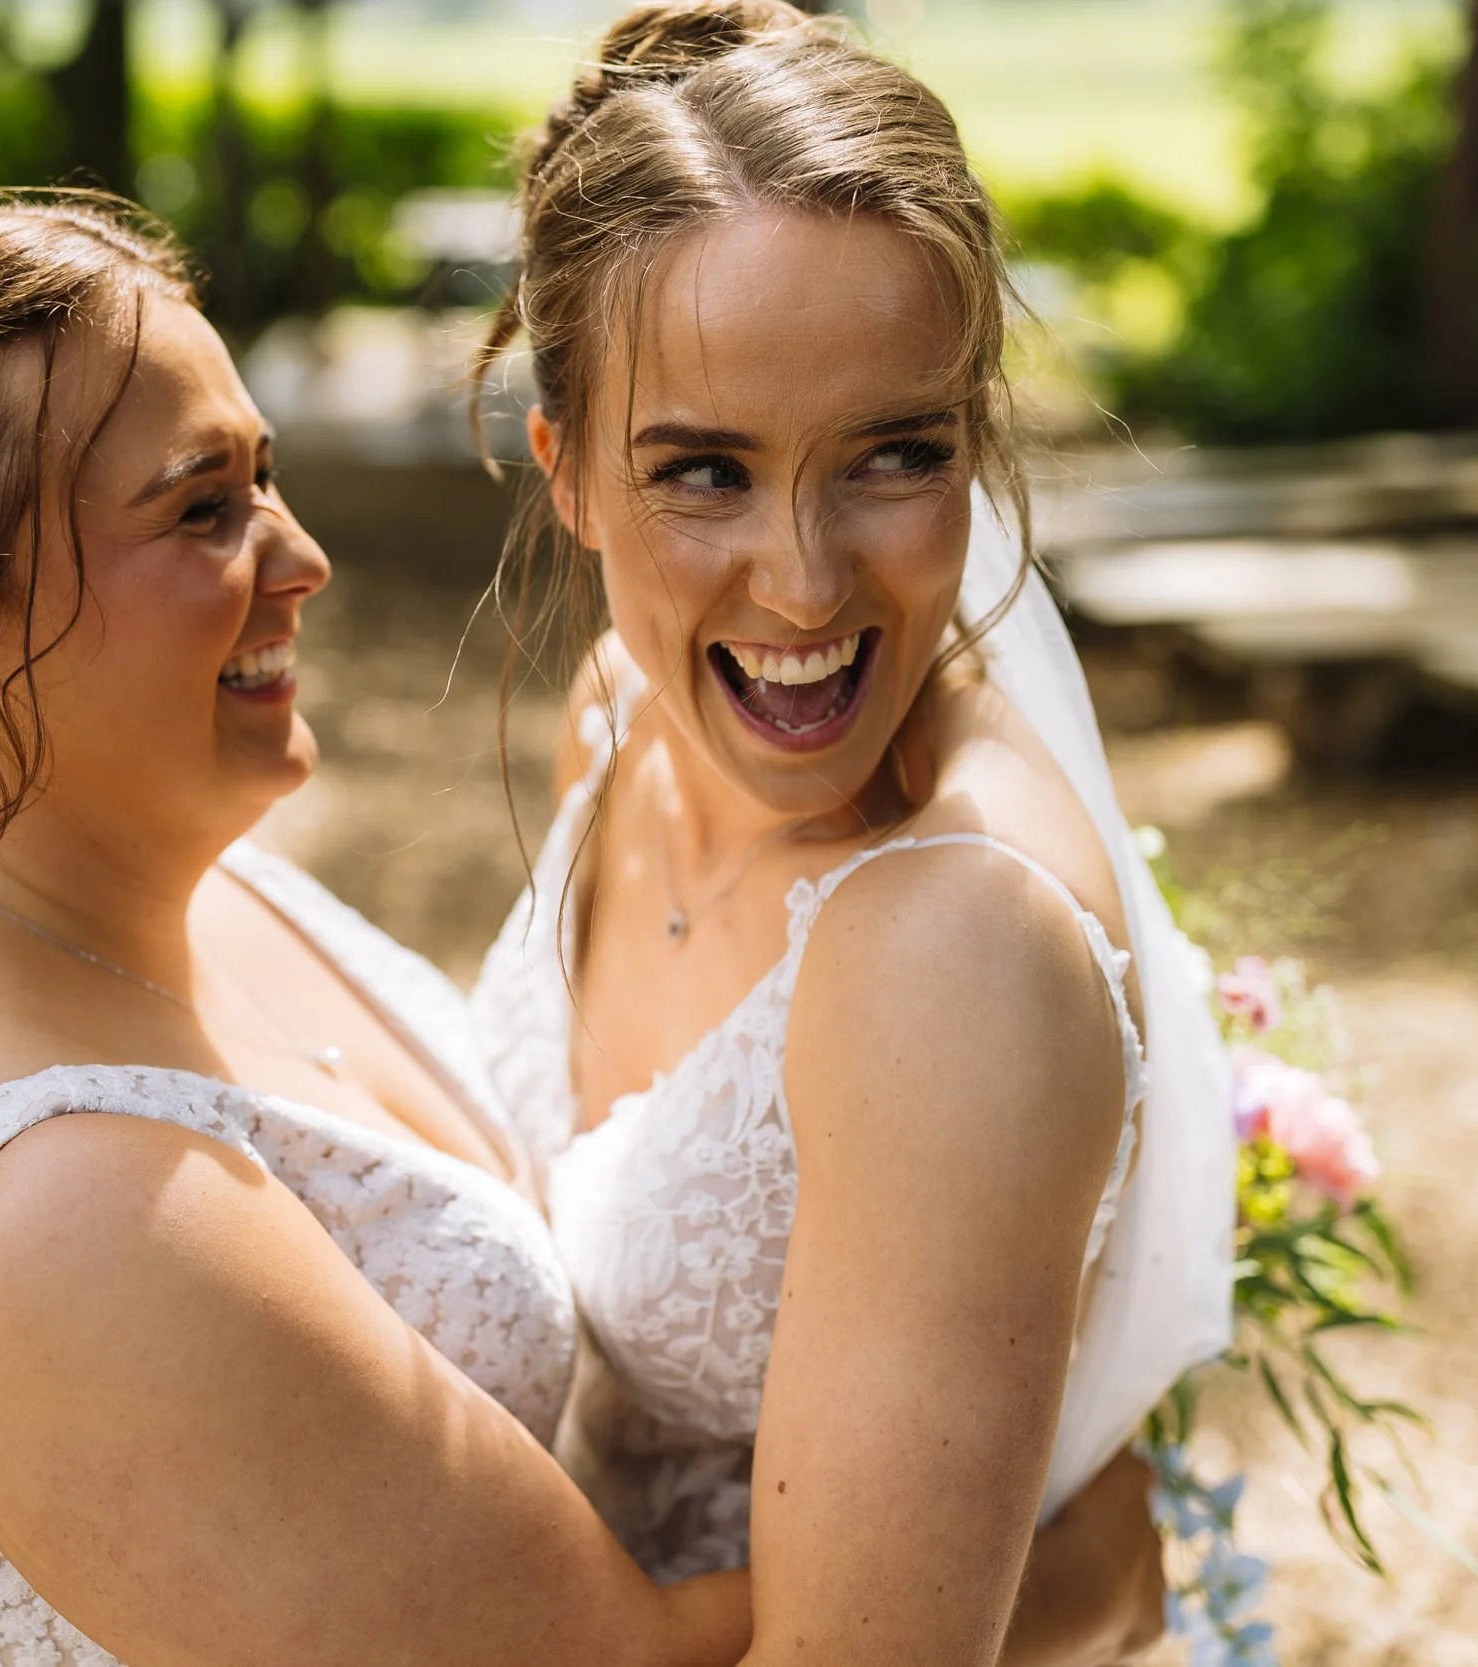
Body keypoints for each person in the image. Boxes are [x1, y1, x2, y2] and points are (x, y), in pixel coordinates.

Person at [0, 192, 1165, 1665]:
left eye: (261, 473)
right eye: (201, 510)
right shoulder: (71, 1219)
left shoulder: (93, 872)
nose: (301, 558)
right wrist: (1079, 1560)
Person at [464, 3, 1237, 1661]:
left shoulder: (956, 944)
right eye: (703, 474)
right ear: (568, 474)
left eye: (894, 454)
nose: (805, 585)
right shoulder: (618, 708)